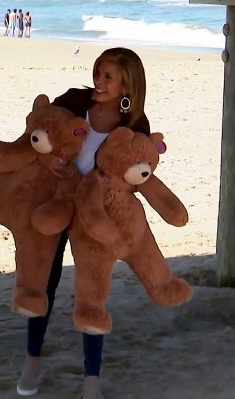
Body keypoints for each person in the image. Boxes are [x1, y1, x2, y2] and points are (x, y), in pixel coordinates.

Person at [16, 47, 150, 399]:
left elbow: (139, 175)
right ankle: (32, 360)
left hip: (96, 215)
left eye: (108, 76)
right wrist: (48, 164)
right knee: (44, 280)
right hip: (57, 203)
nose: (99, 80)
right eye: (97, 72)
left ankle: (92, 380)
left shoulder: (135, 125)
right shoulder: (74, 100)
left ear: (127, 85)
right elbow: (39, 130)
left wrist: (112, 183)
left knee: (93, 291)